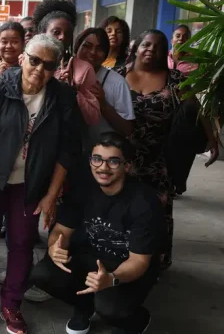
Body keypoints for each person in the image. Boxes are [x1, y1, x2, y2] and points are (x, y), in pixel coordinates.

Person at [0, 34, 81, 334]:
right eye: (35, 60)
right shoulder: (0, 88)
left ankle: (12, 303)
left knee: (22, 244)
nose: (39, 69)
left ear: (56, 68)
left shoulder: (62, 97)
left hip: (30, 183)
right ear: (24, 57)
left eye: (48, 65)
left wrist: (51, 196)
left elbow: (68, 150)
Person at [30, 133, 165, 334]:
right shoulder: (82, 188)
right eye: (97, 159)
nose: (103, 167)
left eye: (113, 161)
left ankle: (138, 319)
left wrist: (111, 279)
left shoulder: (144, 202)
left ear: (126, 166)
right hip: (89, 259)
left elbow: (139, 262)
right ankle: (84, 306)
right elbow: (61, 231)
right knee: (42, 274)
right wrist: (55, 246)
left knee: (110, 309)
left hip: (125, 267)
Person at [116, 30, 219, 269]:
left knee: (155, 209)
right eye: (146, 45)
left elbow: (196, 107)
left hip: (157, 156)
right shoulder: (118, 74)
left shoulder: (174, 79)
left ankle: (154, 262)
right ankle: (119, 257)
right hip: (120, 156)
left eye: (158, 47)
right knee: (121, 207)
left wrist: (212, 139)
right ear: (137, 47)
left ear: (165, 52)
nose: (151, 50)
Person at [34, 0, 101, 126]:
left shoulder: (84, 69)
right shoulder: (29, 64)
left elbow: (93, 119)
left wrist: (72, 91)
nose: (62, 37)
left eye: (68, 33)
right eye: (56, 32)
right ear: (42, 33)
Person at [74, 28, 134, 145]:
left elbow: (127, 129)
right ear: (77, 47)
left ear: (105, 54)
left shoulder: (117, 83)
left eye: (99, 49)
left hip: (101, 157)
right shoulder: (63, 74)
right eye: (87, 46)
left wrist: (103, 104)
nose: (92, 52)